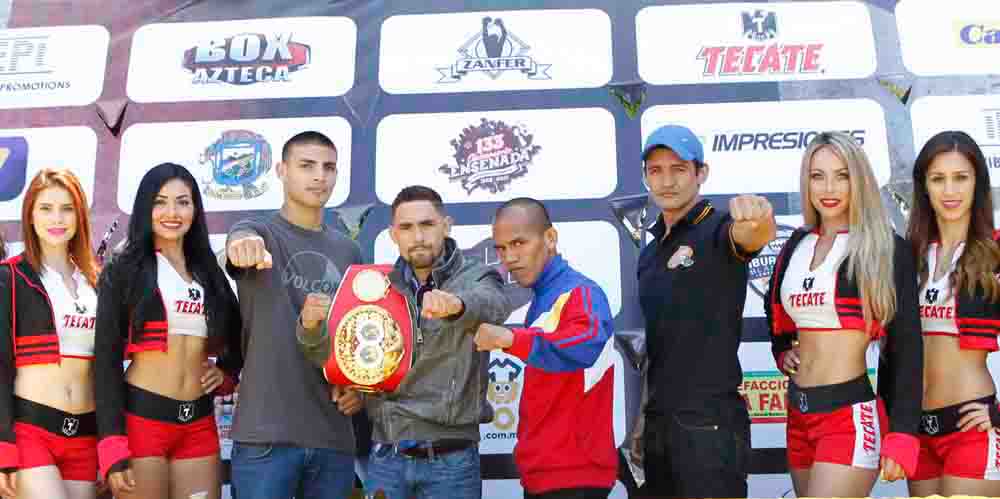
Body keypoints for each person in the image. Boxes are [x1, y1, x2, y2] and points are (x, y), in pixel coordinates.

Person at [298, 185, 511, 499]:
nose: (418, 236)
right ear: (393, 234)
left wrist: (457, 305)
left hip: (452, 459)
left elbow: (494, 305)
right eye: (407, 227)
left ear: (446, 225)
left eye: (427, 224)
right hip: (387, 457)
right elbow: (334, 355)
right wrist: (311, 328)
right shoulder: (375, 286)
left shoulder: (477, 277)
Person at [766, 131, 923, 496]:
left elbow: (907, 347)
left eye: (841, 175)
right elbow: (775, 309)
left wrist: (902, 431)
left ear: (859, 180)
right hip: (798, 414)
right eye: (817, 176)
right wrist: (781, 349)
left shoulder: (886, 248)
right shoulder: (795, 244)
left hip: (847, 417)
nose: (828, 188)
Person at [630, 124, 776, 498]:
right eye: (656, 170)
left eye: (679, 169)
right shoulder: (650, 253)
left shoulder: (718, 228)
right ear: (646, 176)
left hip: (710, 426)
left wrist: (758, 218)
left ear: (701, 173)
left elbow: (752, 235)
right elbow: (659, 343)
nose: (667, 181)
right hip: (659, 425)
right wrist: (643, 418)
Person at [225, 131, 363, 499]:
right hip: (266, 436)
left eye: (328, 167)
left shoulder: (349, 251)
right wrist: (243, 247)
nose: (319, 176)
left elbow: (355, 341)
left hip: (333, 436)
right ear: (282, 171)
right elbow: (240, 241)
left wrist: (358, 390)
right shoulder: (258, 232)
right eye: (307, 166)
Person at [94, 163, 243, 499]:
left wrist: (226, 374)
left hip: (198, 424)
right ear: (145, 208)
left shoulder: (208, 270)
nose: (172, 213)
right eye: (160, 202)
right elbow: (104, 360)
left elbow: (239, 332)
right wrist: (112, 445)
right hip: (142, 422)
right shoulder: (124, 266)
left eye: (182, 202)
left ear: (195, 209)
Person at [473, 197, 617, 499]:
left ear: (550, 238)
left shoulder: (580, 291)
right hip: (545, 474)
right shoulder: (543, 296)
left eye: (519, 243)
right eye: (501, 248)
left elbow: (586, 345)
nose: (509, 257)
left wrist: (511, 339)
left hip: (574, 476)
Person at [905, 131, 1000, 497]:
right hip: (919, 432)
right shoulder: (909, 255)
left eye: (961, 177)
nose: (949, 191)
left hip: (971, 429)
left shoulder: (994, 254)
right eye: (938, 179)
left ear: (978, 183)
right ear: (924, 187)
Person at [0, 169, 99, 499]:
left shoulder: (97, 282)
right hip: (31, 434)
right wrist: (3, 449)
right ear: (30, 215)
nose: (57, 218)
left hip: (84, 437)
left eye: (67, 208)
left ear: (79, 215)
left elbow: (108, 370)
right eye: (45, 208)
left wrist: (109, 443)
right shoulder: (9, 277)